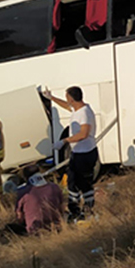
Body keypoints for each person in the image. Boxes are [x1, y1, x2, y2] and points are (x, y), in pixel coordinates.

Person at [43, 86, 98, 221]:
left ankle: (82, 209)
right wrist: (52, 98)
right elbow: (67, 106)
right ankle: (80, 209)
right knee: (74, 181)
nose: (67, 101)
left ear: (72, 99)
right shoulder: (78, 109)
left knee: (79, 182)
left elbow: (84, 134)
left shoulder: (85, 113)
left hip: (85, 153)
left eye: (68, 98)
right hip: (78, 152)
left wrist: (64, 141)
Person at [16, 169, 63, 235]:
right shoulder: (55, 187)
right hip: (56, 228)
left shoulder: (23, 192)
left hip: (34, 230)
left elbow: (19, 217)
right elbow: (61, 207)